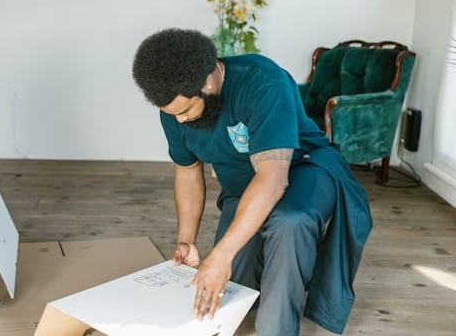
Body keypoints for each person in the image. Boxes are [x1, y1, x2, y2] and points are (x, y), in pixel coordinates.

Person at [131, 28, 373, 336]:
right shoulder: (175, 108)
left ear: (207, 80)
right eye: (172, 114)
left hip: (306, 167)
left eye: (186, 110)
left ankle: (277, 330)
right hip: (245, 186)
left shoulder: (262, 82)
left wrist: (220, 254)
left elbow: (272, 179)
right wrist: (186, 240)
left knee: (289, 221)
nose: (180, 120)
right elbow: (189, 171)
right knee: (235, 286)